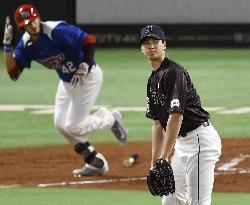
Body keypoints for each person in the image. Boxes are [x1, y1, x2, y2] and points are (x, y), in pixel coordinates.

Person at [2, 3, 128, 177]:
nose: (34, 24)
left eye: (34, 19)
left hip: (88, 77)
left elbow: (88, 40)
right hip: (67, 82)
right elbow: (13, 73)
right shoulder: (26, 45)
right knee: (60, 124)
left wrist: (85, 63)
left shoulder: (56, 30)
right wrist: (7, 45)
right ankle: (95, 162)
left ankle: (110, 118)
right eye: (28, 23)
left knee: (74, 125)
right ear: (22, 27)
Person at [140, 25, 221, 205]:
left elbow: (176, 116)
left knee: (198, 201)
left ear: (164, 45)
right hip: (182, 145)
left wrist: (165, 156)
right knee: (170, 200)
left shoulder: (174, 72)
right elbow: (157, 125)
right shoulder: (152, 80)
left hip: (200, 141)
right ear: (142, 49)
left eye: (156, 42)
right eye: (147, 43)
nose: (152, 46)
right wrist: (155, 163)